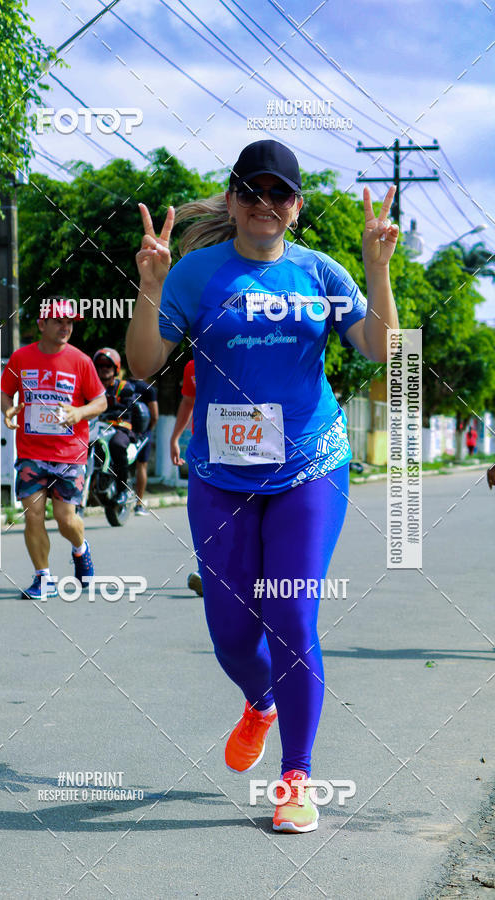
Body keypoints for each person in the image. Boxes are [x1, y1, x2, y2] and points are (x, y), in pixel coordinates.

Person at [126, 139, 400, 833]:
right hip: (221, 476)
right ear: (233, 199)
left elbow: (381, 354)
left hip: (309, 465)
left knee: (290, 617)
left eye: (279, 193)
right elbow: (144, 362)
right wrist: (151, 287)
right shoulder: (195, 274)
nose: (264, 204)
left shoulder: (318, 272)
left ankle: (296, 777)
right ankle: (260, 703)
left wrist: (376, 273)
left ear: (296, 208)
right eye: (251, 191)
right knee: (228, 631)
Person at [1, 301, 107, 599]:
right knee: (33, 515)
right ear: (41, 324)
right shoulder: (21, 358)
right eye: (58, 321)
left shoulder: (81, 360)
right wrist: (7, 411)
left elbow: (101, 402)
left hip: (70, 454)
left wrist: (79, 412)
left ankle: (80, 548)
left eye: (70, 322)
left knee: (65, 520)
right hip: (32, 452)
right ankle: (43, 578)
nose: (66, 327)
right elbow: (6, 392)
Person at [169, 359, 202, 596]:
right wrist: (174, 438)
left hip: (249, 450)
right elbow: (188, 401)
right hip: (205, 449)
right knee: (203, 511)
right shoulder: (192, 366)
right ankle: (208, 570)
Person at [92, 347, 139, 505]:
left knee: (117, 445)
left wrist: (110, 411)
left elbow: (127, 407)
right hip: (96, 427)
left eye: (108, 366)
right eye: (100, 366)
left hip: (119, 428)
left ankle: (123, 490)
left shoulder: (124, 387)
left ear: (116, 368)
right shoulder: (91, 387)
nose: (104, 369)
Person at [130, 377, 159, 515]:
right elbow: (155, 416)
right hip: (142, 432)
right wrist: (148, 431)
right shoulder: (149, 388)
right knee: (141, 466)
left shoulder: (123, 385)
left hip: (125, 429)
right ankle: (139, 504)